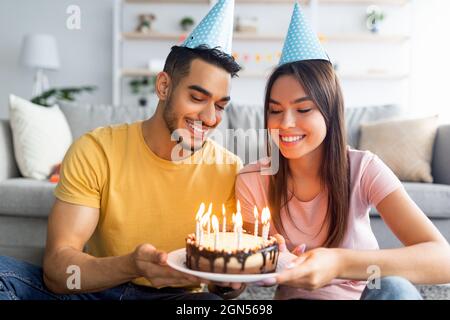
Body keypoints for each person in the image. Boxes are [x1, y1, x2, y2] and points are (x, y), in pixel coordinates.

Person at [0, 0, 243, 300]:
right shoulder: (96, 150)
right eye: (197, 98)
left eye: (220, 106)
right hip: (96, 289)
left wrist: (229, 283)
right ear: (164, 86)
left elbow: (227, 284)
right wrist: (130, 265)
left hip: (178, 299)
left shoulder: (230, 171)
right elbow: (57, 270)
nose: (210, 118)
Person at [236, 3, 450, 300]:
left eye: (303, 109)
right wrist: (236, 278)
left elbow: (443, 260)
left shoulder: (363, 169)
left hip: (366, 294)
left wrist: (339, 262)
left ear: (330, 112)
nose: (284, 123)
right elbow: (237, 275)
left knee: (394, 288)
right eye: (274, 110)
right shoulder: (252, 180)